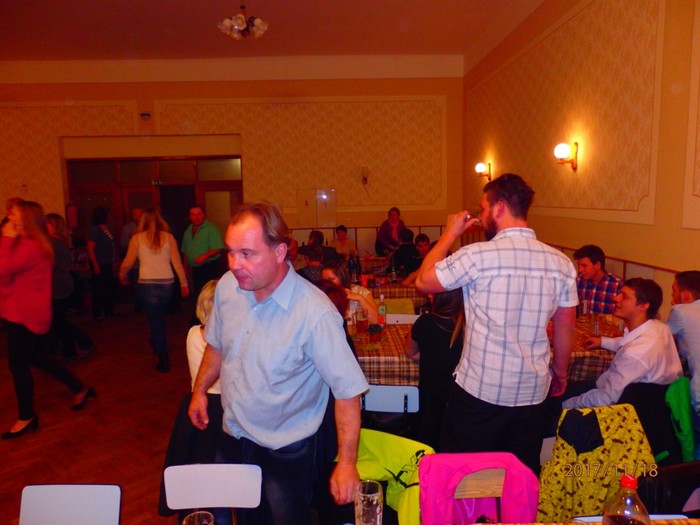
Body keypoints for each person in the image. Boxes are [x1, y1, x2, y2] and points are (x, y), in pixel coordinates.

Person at [187, 201, 368, 525]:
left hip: (285, 451)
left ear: (280, 252)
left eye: (247, 253)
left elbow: (347, 392)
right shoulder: (228, 287)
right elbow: (216, 343)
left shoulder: (315, 313)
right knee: (244, 519)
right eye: (231, 252)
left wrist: (347, 462)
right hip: (233, 434)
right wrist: (200, 390)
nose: (235, 264)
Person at [415, 173, 578, 474]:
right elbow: (566, 327)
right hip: (532, 392)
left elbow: (423, 281)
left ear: (499, 207)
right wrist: (560, 371)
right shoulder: (561, 263)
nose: (480, 215)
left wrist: (450, 233)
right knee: (518, 476)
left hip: (480, 391)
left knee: (465, 475)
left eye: (482, 208)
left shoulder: (477, 256)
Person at [1, 200, 95, 439]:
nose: (9, 217)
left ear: (26, 218)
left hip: (24, 314)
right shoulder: (32, 242)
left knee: (18, 365)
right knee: (38, 358)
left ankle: (26, 416)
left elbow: (3, 269)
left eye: (13, 214)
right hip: (24, 311)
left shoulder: (31, 245)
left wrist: (7, 238)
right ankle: (79, 388)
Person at [563, 278, 683, 409]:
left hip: (623, 407)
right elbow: (630, 342)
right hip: (650, 400)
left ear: (643, 306)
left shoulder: (634, 354)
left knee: (558, 393)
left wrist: (567, 404)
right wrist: (602, 341)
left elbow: (605, 398)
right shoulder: (659, 328)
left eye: (624, 296)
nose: (616, 298)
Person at [119, 206, 189, 372]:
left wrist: (122, 275)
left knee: (155, 320)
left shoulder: (137, 239)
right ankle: (157, 342)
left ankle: (163, 359)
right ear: (159, 220)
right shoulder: (169, 237)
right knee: (159, 318)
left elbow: (128, 263)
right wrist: (183, 283)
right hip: (167, 284)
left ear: (142, 221)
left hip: (147, 284)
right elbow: (177, 263)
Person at [404, 288, 464, 450]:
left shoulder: (425, 322)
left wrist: (432, 355)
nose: (429, 296)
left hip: (429, 400)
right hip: (458, 403)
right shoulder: (470, 325)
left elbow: (410, 352)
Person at [46, 213, 95, 360]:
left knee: (57, 320)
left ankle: (84, 343)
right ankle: (70, 350)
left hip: (58, 285)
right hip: (62, 283)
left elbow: (50, 265)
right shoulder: (59, 242)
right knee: (58, 320)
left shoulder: (54, 243)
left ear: (53, 226)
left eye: (47, 224)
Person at [667, 270, 700, 417]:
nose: (672, 295)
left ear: (685, 295)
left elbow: (657, 338)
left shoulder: (682, 312)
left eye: (674, 290)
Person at [181, 205, 225, 297]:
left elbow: (218, 247)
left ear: (203, 215)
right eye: (193, 215)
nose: (196, 217)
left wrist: (204, 256)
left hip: (209, 267)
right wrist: (185, 268)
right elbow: (185, 250)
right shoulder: (188, 230)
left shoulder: (211, 229)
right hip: (195, 268)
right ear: (190, 216)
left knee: (209, 293)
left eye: (199, 214)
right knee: (198, 292)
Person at [322, 258, 379, 324]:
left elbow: (375, 320)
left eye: (331, 279)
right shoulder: (322, 294)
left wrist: (360, 298)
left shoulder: (360, 291)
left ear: (342, 277)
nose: (327, 283)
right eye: (324, 280)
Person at [87, 206, 118, 321]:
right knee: (99, 288)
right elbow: (90, 248)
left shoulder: (106, 228)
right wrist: (95, 264)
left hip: (107, 262)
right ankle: (97, 313)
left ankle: (108, 310)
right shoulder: (95, 230)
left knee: (109, 287)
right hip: (99, 262)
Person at [573, 244, 623, 314]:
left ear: (597, 265)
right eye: (579, 265)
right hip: (582, 320)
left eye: (584, 266)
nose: (580, 270)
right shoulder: (578, 281)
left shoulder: (617, 284)